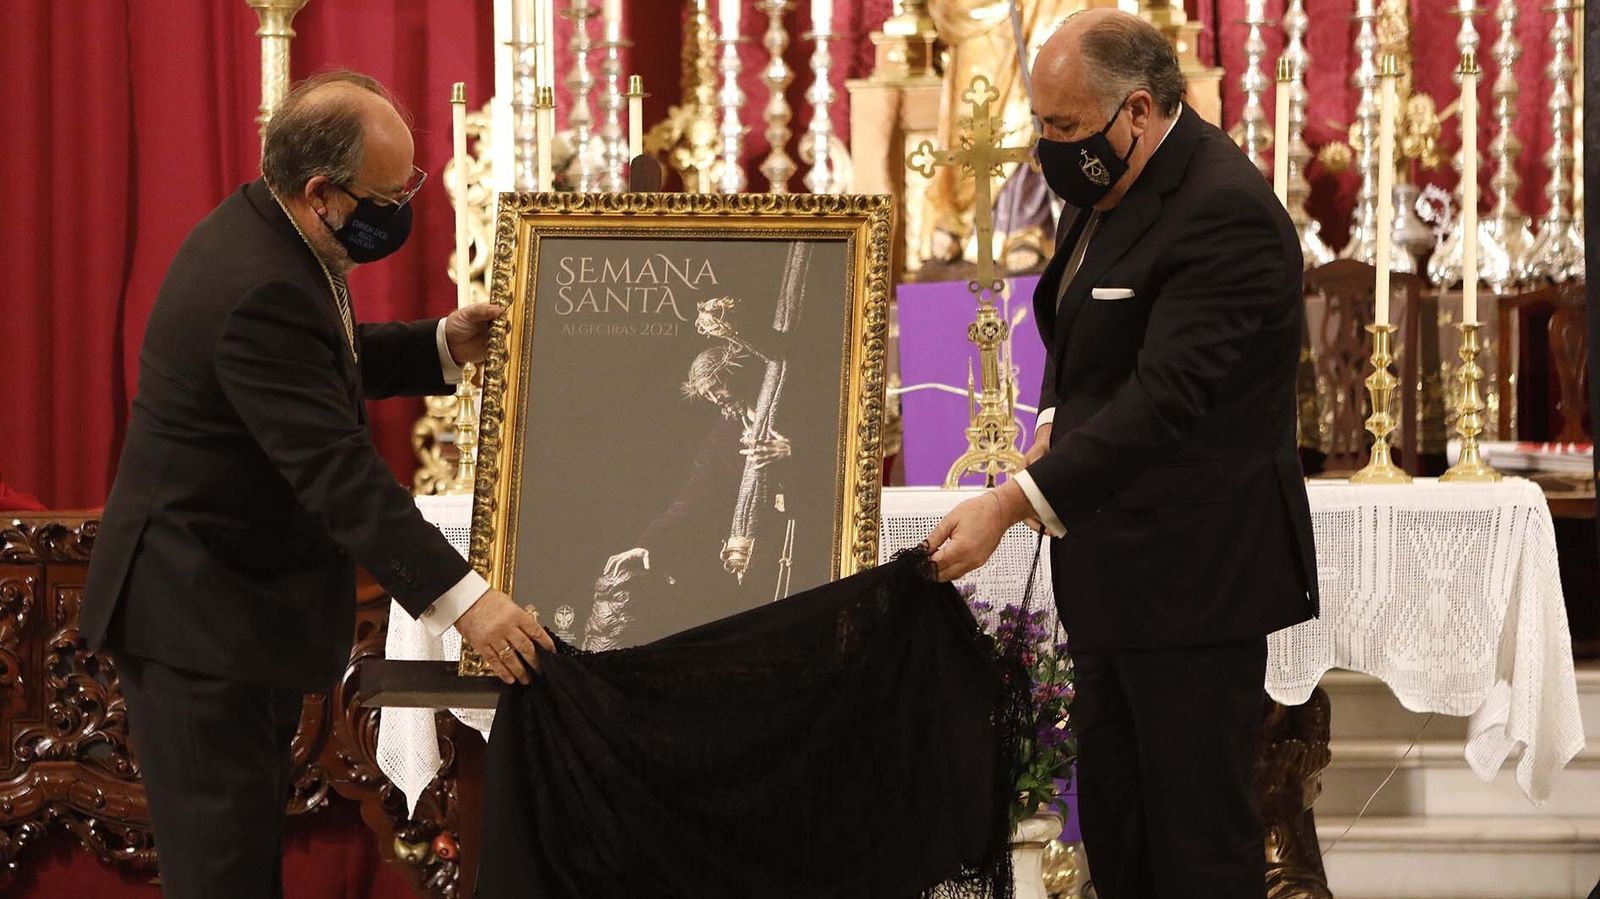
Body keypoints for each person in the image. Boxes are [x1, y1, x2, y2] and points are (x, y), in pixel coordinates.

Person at [78, 71, 553, 898]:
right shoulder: (259, 280)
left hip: (227, 614)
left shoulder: (274, 235)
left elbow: (323, 360)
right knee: (223, 878)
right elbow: (340, 473)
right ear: (322, 191)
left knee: (244, 868)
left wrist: (440, 344)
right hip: (192, 622)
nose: (402, 207)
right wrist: (469, 603)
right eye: (387, 192)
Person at [925, 10, 1318, 898]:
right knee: (1120, 834)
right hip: (1114, 580)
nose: (1046, 148)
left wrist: (1012, 500)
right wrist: (1057, 415)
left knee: (1197, 848)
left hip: (1195, 585)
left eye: (1062, 127)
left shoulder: (1224, 211)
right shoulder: (1107, 184)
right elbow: (1083, 335)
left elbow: (1165, 399)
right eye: (1042, 124)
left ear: (1136, 111)